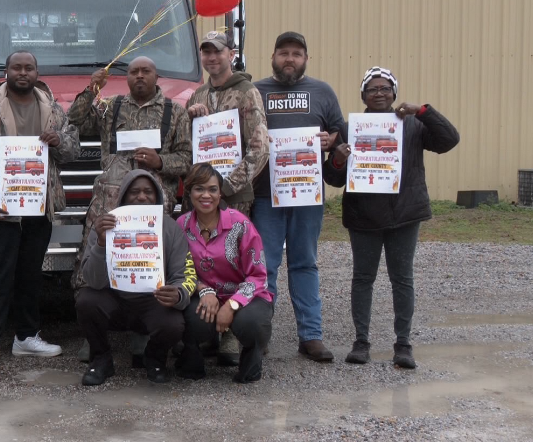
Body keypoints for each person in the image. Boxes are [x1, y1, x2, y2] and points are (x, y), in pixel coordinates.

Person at [323, 67, 459, 369]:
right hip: (363, 217)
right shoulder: (349, 129)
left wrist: (423, 111)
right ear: (363, 95)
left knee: (402, 279)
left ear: (395, 93)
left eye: (385, 88)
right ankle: (361, 342)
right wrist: (337, 158)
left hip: (404, 215)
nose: (379, 93)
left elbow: (449, 140)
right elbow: (332, 178)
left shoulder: (411, 125)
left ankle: (403, 344)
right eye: (372, 89)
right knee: (362, 279)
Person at [0, 50, 80, 372]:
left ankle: (26, 337)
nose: (23, 72)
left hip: (40, 207)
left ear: (37, 72)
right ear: (6, 71)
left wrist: (58, 142)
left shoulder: (52, 108)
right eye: (17, 67)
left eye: (29, 68)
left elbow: (73, 149)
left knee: (30, 274)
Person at [68, 56, 192, 364]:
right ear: (126, 78)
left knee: (146, 265)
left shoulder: (174, 112)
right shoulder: (111, 107)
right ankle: (92, 335)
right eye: (133, 72)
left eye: (145, 71)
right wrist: (92, 88)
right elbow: (76, 118)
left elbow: (188, 159)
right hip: (107, 204)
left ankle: (143, 332)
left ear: (156, 75)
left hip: (150, 208)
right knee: (89, 266)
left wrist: (160, 161)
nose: (139, 76)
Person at [252, 31, 345, 363]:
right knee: (266, 266)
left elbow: (340, 137)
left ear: (306, 59)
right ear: (273, 57)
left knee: (305, 263)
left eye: (296, 53)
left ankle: (311, 336)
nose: (289, 59)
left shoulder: (322, 92)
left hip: (307, 195)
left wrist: (329, 142)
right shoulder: (256, 92)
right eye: (283, 53)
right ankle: (260, 333)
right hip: (265, 196)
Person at [186, 30, 270, 366]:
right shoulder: (199, 93)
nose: (212, 58)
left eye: (217, 52)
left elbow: (260, 146)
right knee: (206, 260)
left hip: (234, 195)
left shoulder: (247, 92)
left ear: (230, 54)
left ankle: (234, 335)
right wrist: (192, 118)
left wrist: (228, 186)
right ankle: (208, 331)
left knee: (235, 262)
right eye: (206, 53)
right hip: (204, 196)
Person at [76, 169, 197, 386]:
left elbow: (182, 274)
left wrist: (178, 294)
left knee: (174, 324)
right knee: (86, 300)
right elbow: (92, 280)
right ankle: (101, 359)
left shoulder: (170, 228)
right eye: (134, 192)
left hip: (153, 301)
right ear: (123, 196)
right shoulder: (106, 224)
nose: (142, 196)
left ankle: (155, 358)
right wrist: (102, 243)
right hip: (114, 299)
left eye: (148, 192)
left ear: (157, 196)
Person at [175, 164, 274, 383]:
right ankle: (191, 361)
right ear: (189, 193)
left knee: (252, 323)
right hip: (204, 295)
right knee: (189, 317)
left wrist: (232, 305)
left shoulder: (241, 224)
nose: (206, 195)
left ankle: (251, 362)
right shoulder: (180, 226)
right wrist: (204, 290)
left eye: (212, 189)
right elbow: (178, 270)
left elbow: (258, 275)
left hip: (245, 297)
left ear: (220, 193)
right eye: (199, 189)